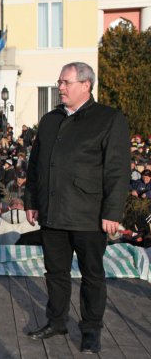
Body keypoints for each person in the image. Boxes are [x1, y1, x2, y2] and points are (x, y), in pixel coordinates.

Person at [24, 62, 131, 354]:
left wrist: (112, 212)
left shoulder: (108, 119)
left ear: (86, 85)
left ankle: (91, 330)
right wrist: (31, 201)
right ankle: (56, 321)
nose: (60, 87)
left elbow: (118, 170)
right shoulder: (49, 119)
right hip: (52, 212)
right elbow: (35, 165)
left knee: (92, 275)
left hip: (89, 215)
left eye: (65, 82)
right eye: (59, 81)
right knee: (55, 273)